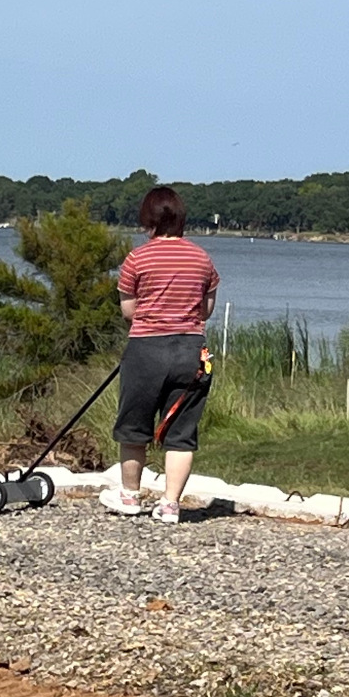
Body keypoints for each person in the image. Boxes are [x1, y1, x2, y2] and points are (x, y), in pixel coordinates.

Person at [99, 186, 220, 524]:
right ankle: (170, 504)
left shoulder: (137, 259)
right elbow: (206, 309)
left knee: (134, 426)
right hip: (190, 350)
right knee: (181, 431)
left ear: (148, 220)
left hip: (146, 349)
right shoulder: (201, 258)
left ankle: (130, 494)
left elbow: (128, 310)